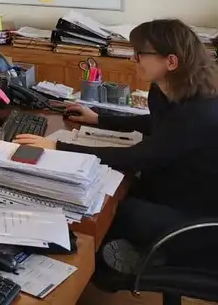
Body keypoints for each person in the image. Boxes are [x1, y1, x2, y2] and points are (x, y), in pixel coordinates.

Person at [15, 19, 218, 250]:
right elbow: (155, 123)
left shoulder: (201, 112)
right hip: (169, 188)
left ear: (171, 61)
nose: (133, 59)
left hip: (194, 217)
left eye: (139, 54)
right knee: (107, 193)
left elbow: (137, 157)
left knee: (105, 211)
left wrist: (58, 147)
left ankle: (113, 262)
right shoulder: (164, 90)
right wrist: (99, 119)